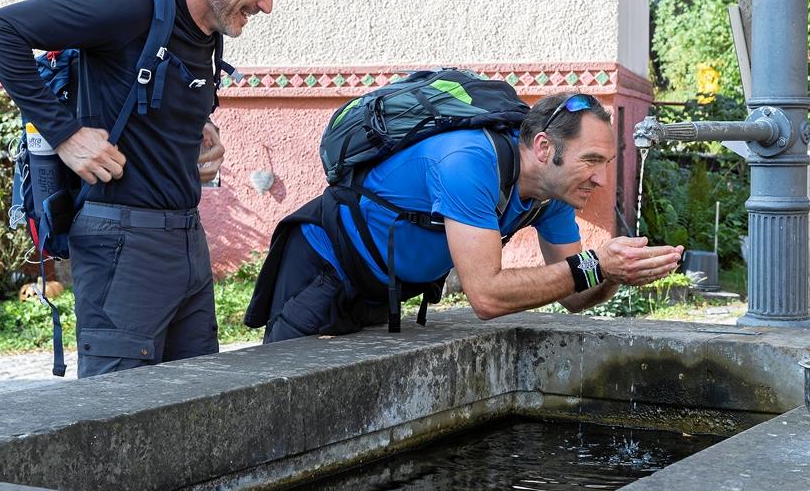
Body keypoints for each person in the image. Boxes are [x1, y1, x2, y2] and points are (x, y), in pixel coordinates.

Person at [0, 0, 283, 377]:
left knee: (198, 403)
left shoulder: (209, 37)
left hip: (187, 244)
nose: (266, 6)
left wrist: (201, 140)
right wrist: (66, 135)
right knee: (117, 415)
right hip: (123, 247)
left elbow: (151, 106)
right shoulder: (135, 6)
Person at [244, 91, 684, 342]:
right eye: (591, 160)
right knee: (274, 406)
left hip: (381, 291)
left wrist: (614, 273)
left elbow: (572, 295)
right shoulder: (469, 162)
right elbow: (487, 297)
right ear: (545, 148)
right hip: (323, 267)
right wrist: (596, 265)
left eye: (607, 162)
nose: (602, 178)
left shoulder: (549, 196)